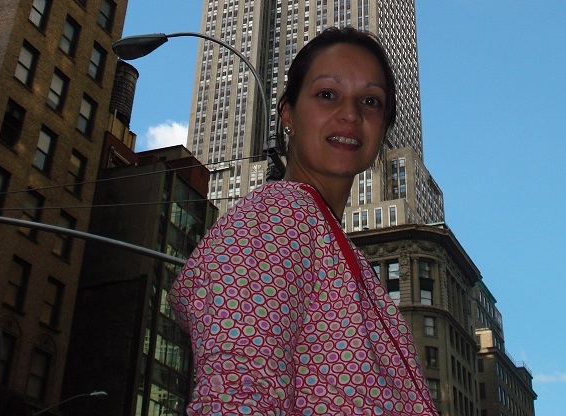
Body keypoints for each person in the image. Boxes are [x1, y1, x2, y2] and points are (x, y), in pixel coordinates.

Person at [169, 27, 437, 415]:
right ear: (288, 114)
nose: (351, 114)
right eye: (327, 94)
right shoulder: (279, 215)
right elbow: (239, 394)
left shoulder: (328, 241)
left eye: (371, 101)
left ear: (383, 128)